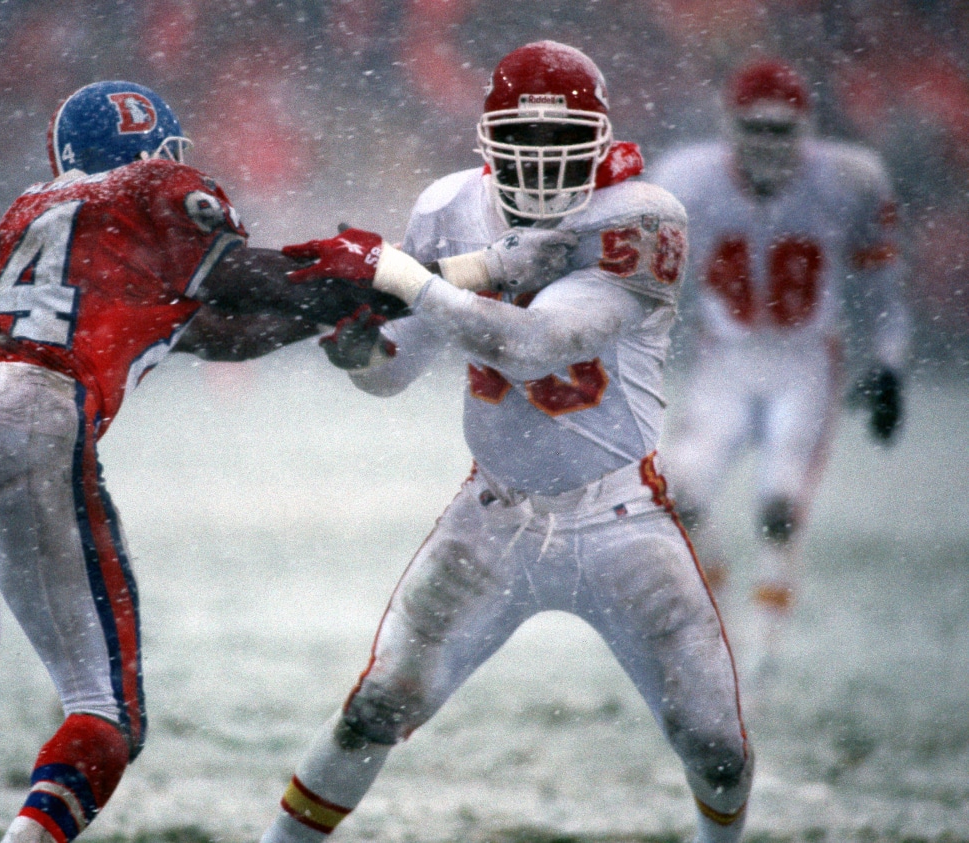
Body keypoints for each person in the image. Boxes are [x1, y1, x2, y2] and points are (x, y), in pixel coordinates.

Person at [0, 80, 420, 843]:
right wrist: (361, 274)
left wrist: (333, 310)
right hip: (34, 413)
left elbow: (210, 331)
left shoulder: (28, 211)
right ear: (153, 153)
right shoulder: (155, 185)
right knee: (107, 711)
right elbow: (240, 274)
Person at [259, 41, 752, 843]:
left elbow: (534, 344)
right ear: (488, 138)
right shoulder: (450, 204)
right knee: (376, 707)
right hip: (494, 511)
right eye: (527, 140)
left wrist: (400, 273)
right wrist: (358, 351)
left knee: (716, 745)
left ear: (599, 140)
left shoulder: (640, 215)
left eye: (563, 143)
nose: (544, 162)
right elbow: (395, 371)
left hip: (620, 514)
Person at [648, 59, 910, 676]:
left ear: (807, 129)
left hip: (806, 361)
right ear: (728, 126)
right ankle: (723, 619)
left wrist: (889, 366)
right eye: (754, 127)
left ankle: (764, 645)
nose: (768, 143)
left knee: (780, 506)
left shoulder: (849, 179)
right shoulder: (685, 178)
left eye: (781, 129)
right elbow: (643, 281)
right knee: (677, 494)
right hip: (726, 357)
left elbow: (883, 290)